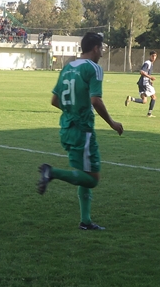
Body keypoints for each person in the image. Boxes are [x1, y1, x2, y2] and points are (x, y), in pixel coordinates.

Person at [37, 32, 123, 230]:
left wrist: (72, 110)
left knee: (82, 173)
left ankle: (85, 221)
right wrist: (112, 123)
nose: (102, 52)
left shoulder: (67, 67)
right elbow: (95, 100)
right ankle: (52, 173)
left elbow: (54, 100)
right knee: (92, 179)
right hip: (82, 129)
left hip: (66, 127)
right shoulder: (94, 68)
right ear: (95, 48)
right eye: (101, 48)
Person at [125, 50, 158, 117]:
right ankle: (149, 114)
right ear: (150, 56)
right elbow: (141, 72)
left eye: (155, 56)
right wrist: (150, 77)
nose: (154, 57)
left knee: (144, 101)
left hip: (142, 83)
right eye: (153, 56)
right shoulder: (147, 63)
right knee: (154, 97)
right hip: (145, 83)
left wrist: (150, 80)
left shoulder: (150, 63)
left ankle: (131, 98)